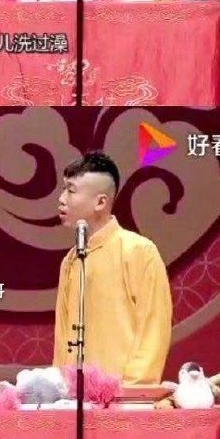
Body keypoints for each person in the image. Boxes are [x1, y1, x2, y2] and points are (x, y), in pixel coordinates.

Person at [55, 150, 172, 383]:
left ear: (101, 202)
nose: (61, 198)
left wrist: (131, 389)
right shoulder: (71, 261)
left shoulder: (138, 251)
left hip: (124, 396)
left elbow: (154, 331)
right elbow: (63, 338)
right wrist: (61, 388)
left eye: (71, 190)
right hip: (75, 396)